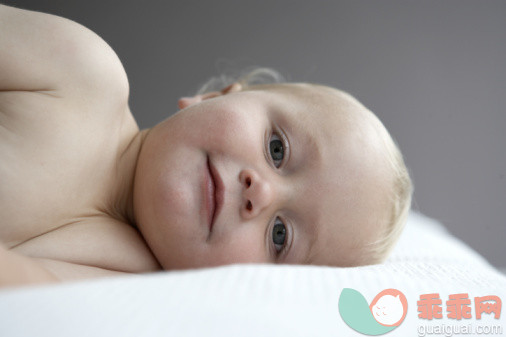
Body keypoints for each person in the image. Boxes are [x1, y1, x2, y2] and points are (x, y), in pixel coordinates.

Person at [0, 4, 412, 288]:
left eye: (280, 236)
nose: (261, 193)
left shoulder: (125, 279)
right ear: (216, 95)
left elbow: (19, 292)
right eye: (277, 149)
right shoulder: (84, 75)